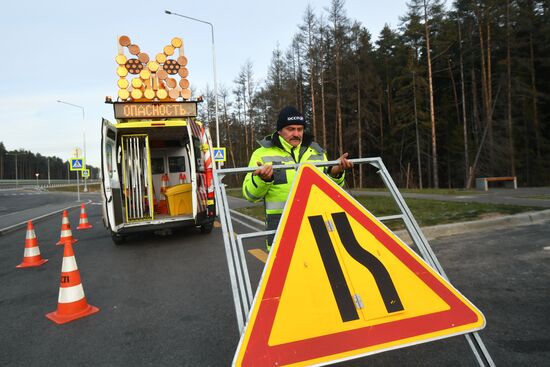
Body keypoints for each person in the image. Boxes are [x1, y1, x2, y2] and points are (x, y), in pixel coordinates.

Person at [242, 105, 353, 250]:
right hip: (282, 231)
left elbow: (331, 190)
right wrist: (263, 180)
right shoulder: (261, 154)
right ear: (280, 130)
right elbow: (249, 195)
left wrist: (336, 173)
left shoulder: (317, 152)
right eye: (290, 129)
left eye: (299, 129)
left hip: (318, 230)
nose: (296, 134)